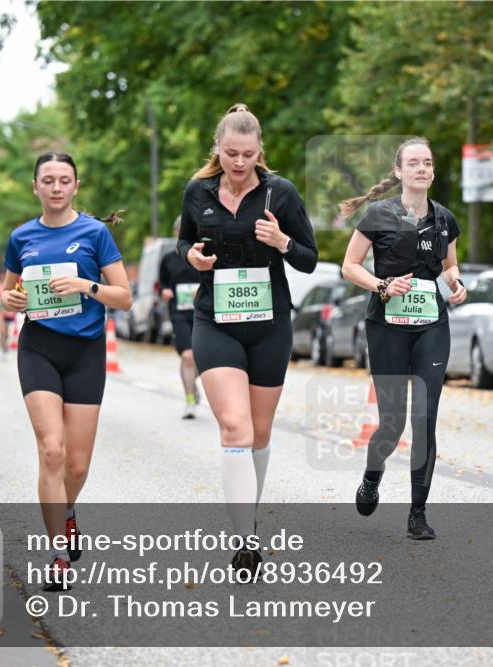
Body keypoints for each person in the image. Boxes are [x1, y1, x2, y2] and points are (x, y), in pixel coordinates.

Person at [177, 103, 318, 573]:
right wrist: (192, 258)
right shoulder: (197, 192)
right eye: (231, 153)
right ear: (218, 149)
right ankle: (245, 540)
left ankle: (248, 516)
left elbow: (309, 259)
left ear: (260, 152)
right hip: (214, 320)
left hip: (269, 322)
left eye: (248, 154)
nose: (239, 163)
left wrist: (281, 243)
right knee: (234, 427)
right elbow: (184, 243)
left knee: (258, 433)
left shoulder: (281, 194)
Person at [0, 151, 131, 591]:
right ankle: (58, 554)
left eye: (64, 180)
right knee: (51, 451)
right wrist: (10, 300)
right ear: (35, 186)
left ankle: (68, 510)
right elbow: (6, 291)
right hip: (38, 348)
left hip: (85, 353)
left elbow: (125, 297)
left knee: (76, 464)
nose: (56, 187)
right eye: (48, 180)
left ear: (76, 186)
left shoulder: (94, 234)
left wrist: (86, 286)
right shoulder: (22, 237)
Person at [339, 137, 467, 540]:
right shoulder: (379, 214)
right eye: (413, 162)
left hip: (431, 326)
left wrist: (457, 282)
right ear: (398, 171)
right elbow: (349, 266)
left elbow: (449, 265)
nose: (422, 169)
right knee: (392, 424)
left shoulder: (444, 219)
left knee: (424, 419)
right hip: (387, 328)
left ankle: (417, 514)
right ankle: (372, 478)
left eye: (427, 163)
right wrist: (381, 285)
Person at [160, 222, 202, 418]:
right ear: (176, 232)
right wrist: (165, 291)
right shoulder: (168, 259)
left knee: (200, 359)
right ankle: (190, 401)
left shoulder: (202, 255)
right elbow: (162, 284)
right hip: (178, 312)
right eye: (180, 231)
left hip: (202, 313)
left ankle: (192, 384)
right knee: (187, 356)